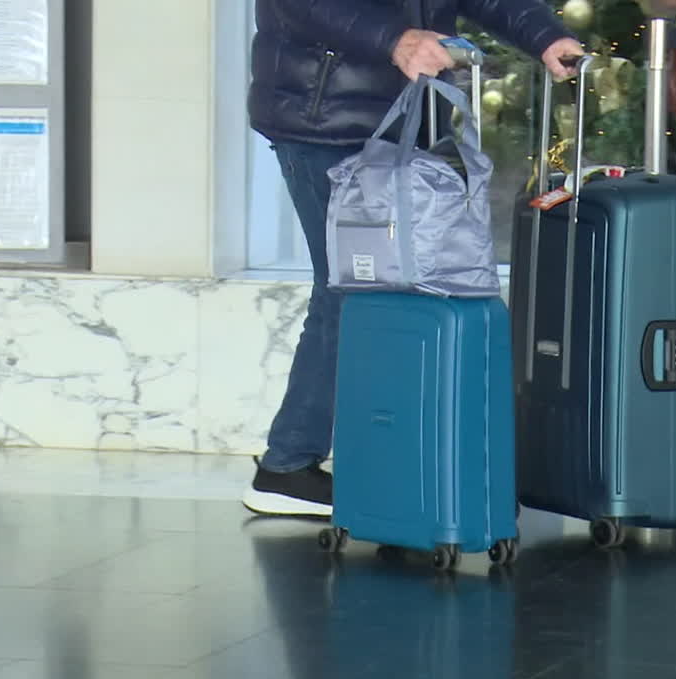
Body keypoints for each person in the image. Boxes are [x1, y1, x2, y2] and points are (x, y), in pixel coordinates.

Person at [243, 0, 584, 516]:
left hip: (405, 119)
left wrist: (544, 36)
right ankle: (287, 464)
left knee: (388, 288)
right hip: (324, 119)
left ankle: (381, 460)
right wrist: (396, 40)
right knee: (348, 290)